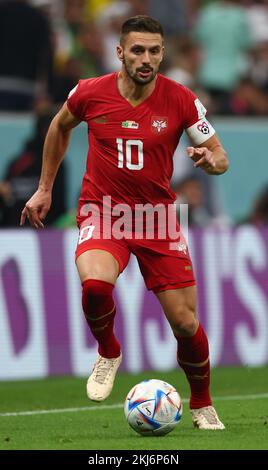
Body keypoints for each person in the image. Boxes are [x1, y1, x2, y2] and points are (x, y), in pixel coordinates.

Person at [20, 15, 229, 430]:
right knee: (95, 284)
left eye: (154, 50)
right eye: (137, 50)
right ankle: (109, 350)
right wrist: (45, 188)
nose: (146, 58)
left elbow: (219, 154)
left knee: (186, 323)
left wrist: (212, 161)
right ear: (121, 52)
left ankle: (202, 403)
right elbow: (59, 126)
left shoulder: (182, 100)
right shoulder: (89, 93)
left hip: (157, 221)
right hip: (103, 212)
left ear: (163, 53)